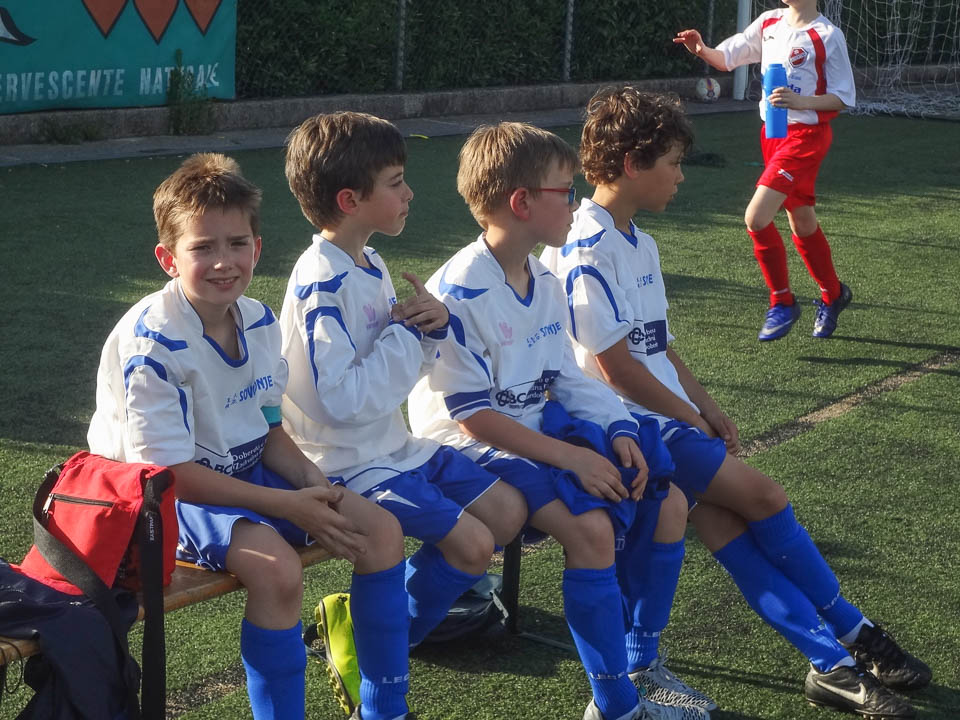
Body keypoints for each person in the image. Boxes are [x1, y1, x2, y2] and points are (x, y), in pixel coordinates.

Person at [541, 85, 931, 720]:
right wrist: (689, 416)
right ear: (633, 164)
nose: (680, 176)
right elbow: (614, 369)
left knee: (723, 521)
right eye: (673, 162)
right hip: (625, 423)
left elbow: (657, 347)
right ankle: (853, 631)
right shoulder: (585, 246)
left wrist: (707, 404)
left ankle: (830, 664)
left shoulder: (636, 240)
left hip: (660, 413)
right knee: (765, 497)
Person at [86, 153, 414, 720]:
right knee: (277, 569)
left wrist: (314, 484)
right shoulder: (153, 345)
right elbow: (169, 475)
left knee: (381, 530)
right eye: (203, 247)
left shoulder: (259, 321)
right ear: (168, 259)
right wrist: (287, 505)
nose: (223, 262)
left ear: (257, 249)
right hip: (163, 499)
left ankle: (385, 710)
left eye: (237, 243)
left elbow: (267, 428)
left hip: (241, 473)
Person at [407, 121, 711, 720]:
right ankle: (616, 705)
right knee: (591, 531)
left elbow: (566, 376)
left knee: (667, 499)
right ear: (522, 203)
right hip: (466, 446)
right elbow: (473, 418)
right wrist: (573, 456)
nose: (575, 204)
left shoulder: (542, 278)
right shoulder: (460, 289)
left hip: (528, 432)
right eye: (566, 192)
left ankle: (641, 665)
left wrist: (618, 427)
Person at [278, 112, 528, 695]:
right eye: (395, 182)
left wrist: (431, 327)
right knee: (473, 546)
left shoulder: (370, 262)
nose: (409, 193)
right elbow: (341, 399)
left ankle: (368, 628)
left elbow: (401, 365)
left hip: (392, 444)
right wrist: (408, 334)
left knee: (507, 512)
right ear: (350, 200)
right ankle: (377, 661)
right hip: (346, 461)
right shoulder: (321, 282)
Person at [674, 0, 855, 341]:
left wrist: (802, 102)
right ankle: (834, 294)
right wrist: (702, 50)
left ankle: (782, 302)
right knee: (801, 220)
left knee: (756, 217)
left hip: (806, 138)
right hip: (773, 133)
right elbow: (728, 58)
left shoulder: (827, 35)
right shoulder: (769, 22)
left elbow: (843, 97)